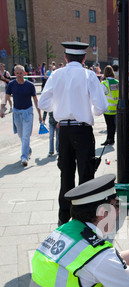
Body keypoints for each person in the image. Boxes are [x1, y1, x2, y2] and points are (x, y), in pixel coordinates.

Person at [38, 41, 108, 226]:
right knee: (86, 175)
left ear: (66, 58)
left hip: (65, 131)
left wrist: (60, 107)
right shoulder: (89, 75)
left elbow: (43, 103)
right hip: (83, 130)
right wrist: (86, 109)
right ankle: (85, 219)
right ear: (84, 58)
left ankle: (63, 219)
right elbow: (101, 107)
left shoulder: (56, 74)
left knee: (66, 175)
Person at [0, 64, 42, 167]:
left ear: (24, 73)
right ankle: (28, 149)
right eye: (17, 73)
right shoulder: (11, 84)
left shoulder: (30, 85)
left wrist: (39, 114)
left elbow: (35, 100)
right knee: (21, 135)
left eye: (21, 73)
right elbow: (6, 97)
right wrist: (1, 109)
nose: (19, 75)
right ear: (14, 73)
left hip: (28, 112)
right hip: (17, 113)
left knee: (26, 135)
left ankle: (24, 157)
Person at [101, 65, 119, 146]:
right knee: (113, 124)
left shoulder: (104, 83)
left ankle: (109, 139)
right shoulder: (117, 82)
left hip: (108, 108)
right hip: (116, 107)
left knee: (109, 125)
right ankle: (112, 139)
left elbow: (101, 94)